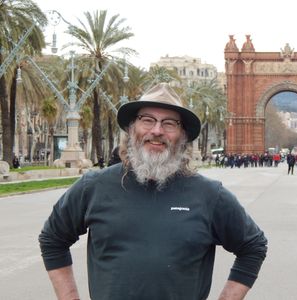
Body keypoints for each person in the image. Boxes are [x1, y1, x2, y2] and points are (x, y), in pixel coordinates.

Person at [39, 83, 267, 300]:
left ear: (182, 135)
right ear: (132, 129)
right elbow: (52, 238)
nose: (157, 130)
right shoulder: (94, 186)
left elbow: (253, 246)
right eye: (147, 120)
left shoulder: (209, 195)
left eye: (169, 123)